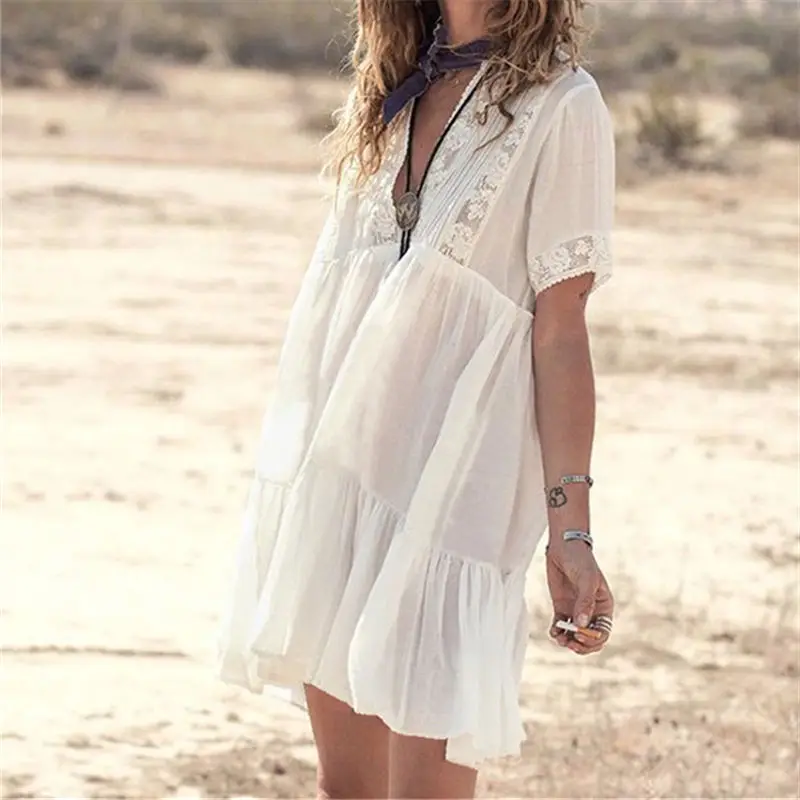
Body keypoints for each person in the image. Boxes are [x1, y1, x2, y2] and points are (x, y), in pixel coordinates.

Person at [218, 0, 616, 797]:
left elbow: (560, 331)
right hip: (341, 470)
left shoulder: (564, 105)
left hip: (453, 485)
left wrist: (570, 530)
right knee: (346, 789)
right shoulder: (388, 88)